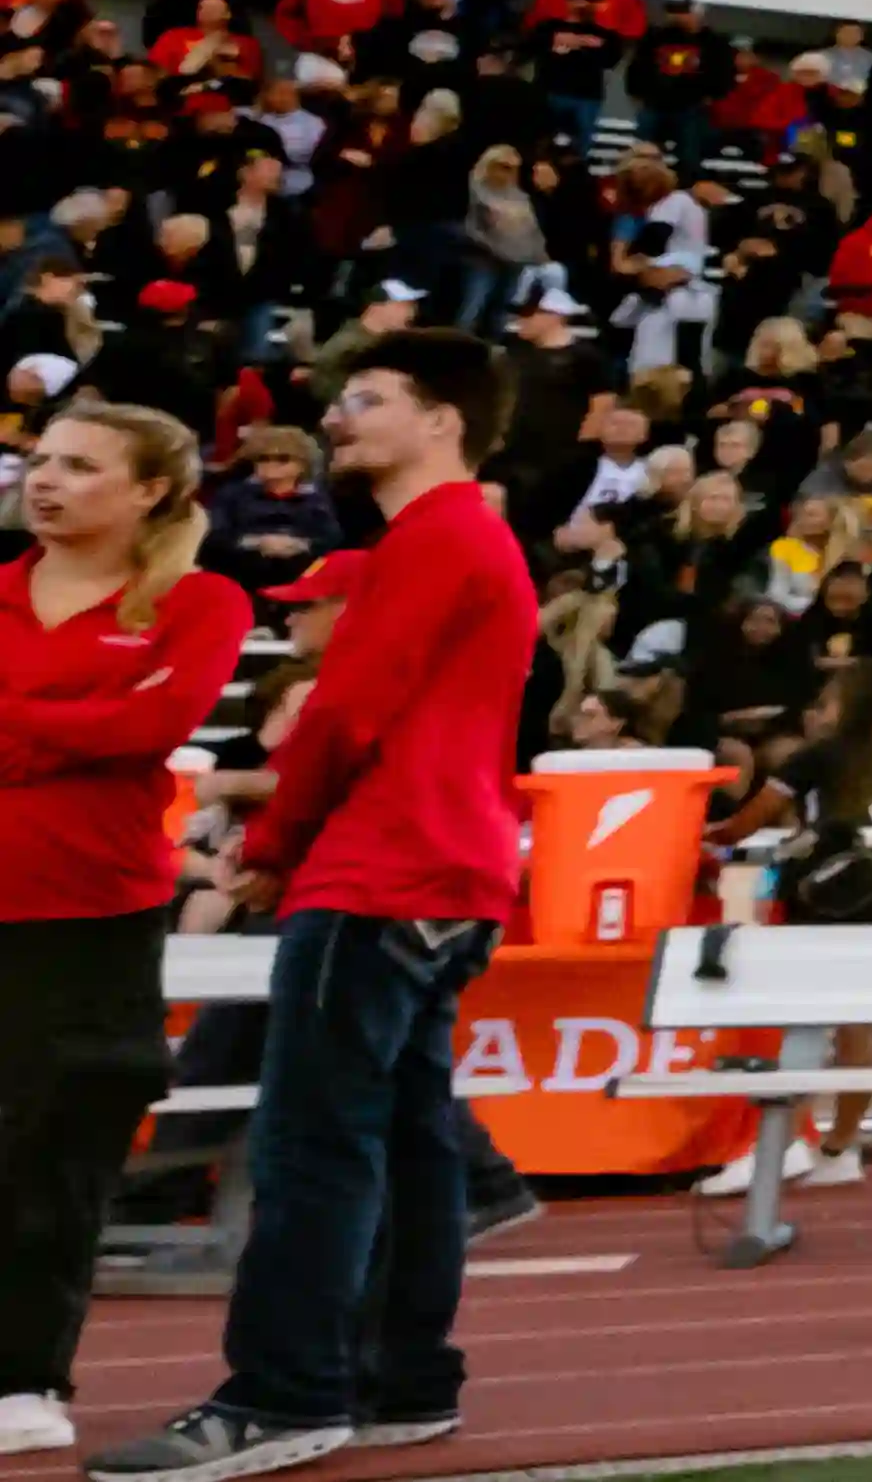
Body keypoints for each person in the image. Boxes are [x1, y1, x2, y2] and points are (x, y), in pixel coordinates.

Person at [106, 330, 531, 1482]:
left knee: (314, 1144)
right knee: (405, 1133)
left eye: (365, 395)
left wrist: (275, 849)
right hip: (450, 867)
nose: (337, 415)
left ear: (442, 416)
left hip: (382, 867)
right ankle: (402, 1379)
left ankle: (282, 1391)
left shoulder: (434, 537)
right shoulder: (469, 538)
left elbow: (347, 711)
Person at [0, 400, 239, 1458]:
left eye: (80, 464)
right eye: (40, 458)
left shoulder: (199, 600)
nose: (45, 479)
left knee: (56, 1151)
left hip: (91, 915)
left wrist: (19, 728)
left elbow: (152, 725)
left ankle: (21, 1372)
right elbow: (110, 722)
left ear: (149, 489)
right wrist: (74, 729)